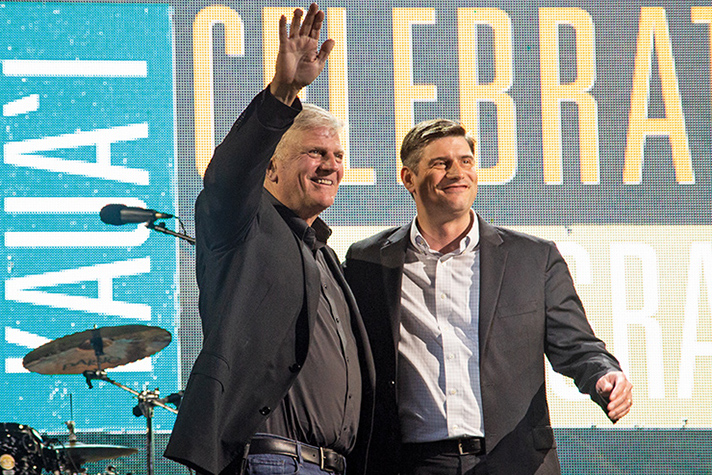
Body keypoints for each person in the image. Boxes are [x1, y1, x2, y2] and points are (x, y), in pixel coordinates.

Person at [343, 119, 632, 475]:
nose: (457, 172)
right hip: (412, 464)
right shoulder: (368, 261)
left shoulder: (533, 259)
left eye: (466, 161)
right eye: (441, 163)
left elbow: (576, 346)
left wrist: (604, 374)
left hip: (513, 460)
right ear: (408, 179)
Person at [165, 5, 375, 474]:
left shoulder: (325, 255)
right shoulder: (244, 224)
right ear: (271, 167)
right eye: (315, 152)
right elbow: (229, 174)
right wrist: (284, 92)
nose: (331, 165)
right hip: (273, 461)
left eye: (338, 155)